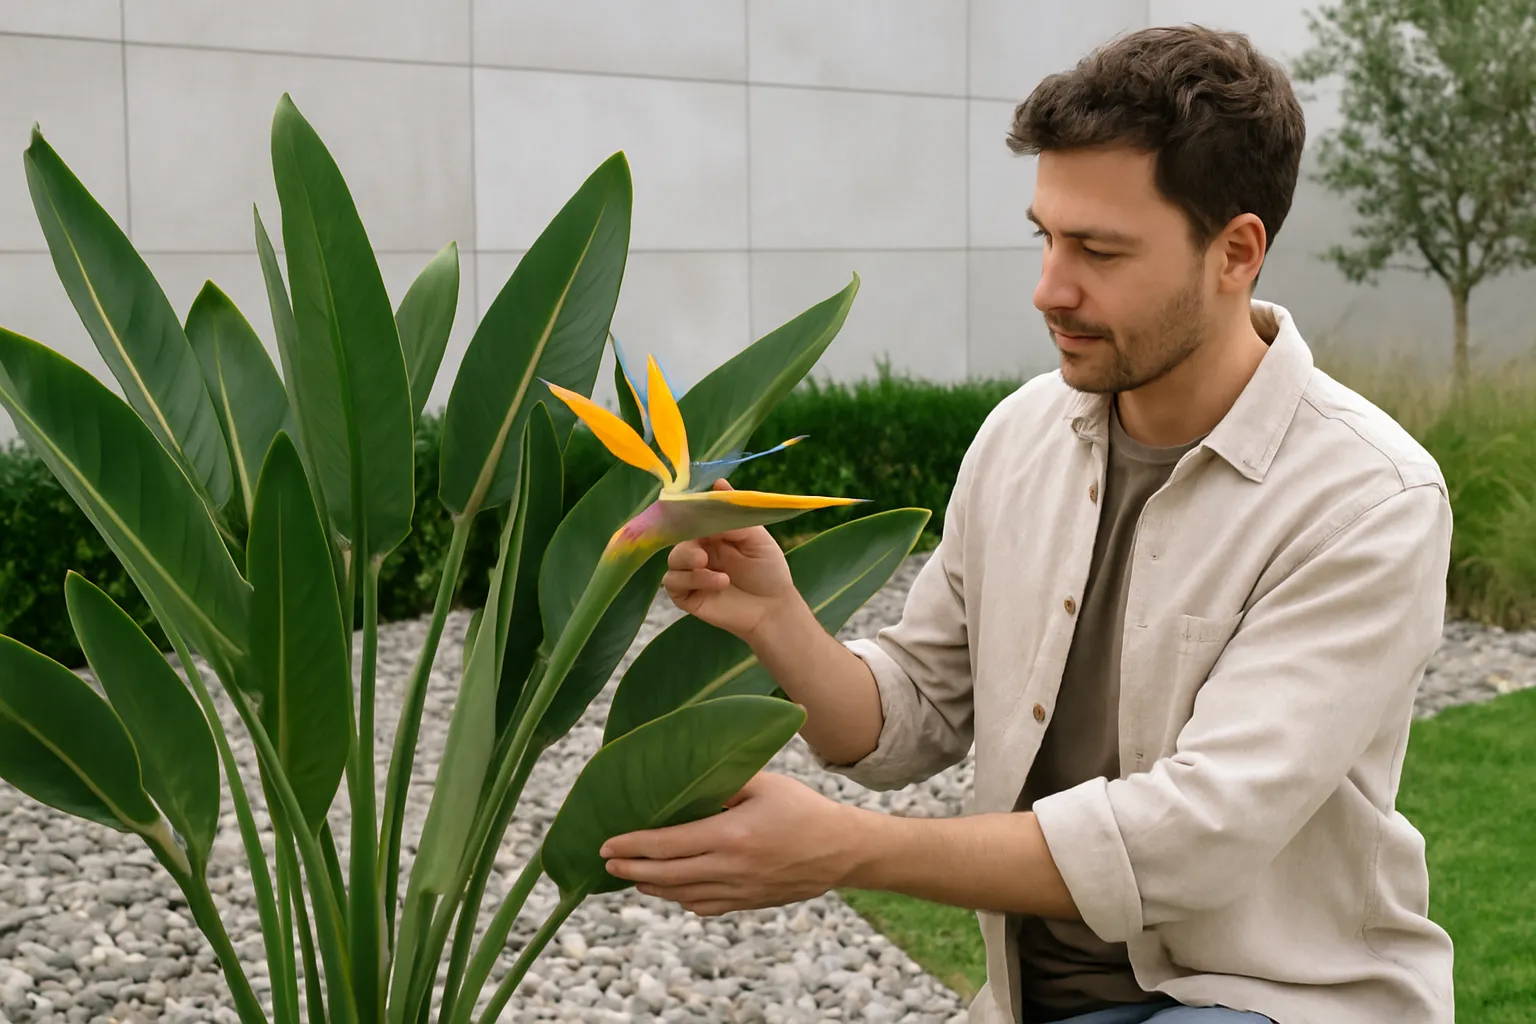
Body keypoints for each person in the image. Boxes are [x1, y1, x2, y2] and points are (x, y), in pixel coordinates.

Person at [598, 23, 1455, 1024]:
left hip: (1269, 1001)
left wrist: (849, 846)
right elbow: (910, 713)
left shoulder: (1369, 497)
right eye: (1045, 236)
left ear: (1236, 252)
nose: (1050, 288)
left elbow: (1192, 834)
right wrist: (777, 618)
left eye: (1098, 250)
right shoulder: (1021, 434)